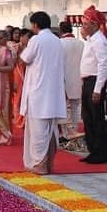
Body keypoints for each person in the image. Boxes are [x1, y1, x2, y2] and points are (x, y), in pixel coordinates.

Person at [19, 11, 67, 175]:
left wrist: (23, 45)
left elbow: (24, 59)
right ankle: (48, 163)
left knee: (38, 131)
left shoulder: (36, 40)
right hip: (53, 92)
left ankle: (39, 164)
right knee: (50, 130)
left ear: (35, 25)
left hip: (38, 92)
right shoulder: (57, 41)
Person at [79, 5, 107, 164]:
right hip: (87, 81)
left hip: (94, 82)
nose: (84, 26)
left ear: (94, 24)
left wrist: (98, 89)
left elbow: (103, 65)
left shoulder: (99, 40)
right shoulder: (91, 39)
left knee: (96, 119)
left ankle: (99, 153)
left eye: (86, 24)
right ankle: (93, 150)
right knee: (87, 118)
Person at [58, 21, 84, 141]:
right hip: (79, 78)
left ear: (61, 30)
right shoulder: (81, 43)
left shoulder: (59, 43)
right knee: (75, 106)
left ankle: (67, 133)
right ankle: (74, 129)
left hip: (64, 78)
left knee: (65, 108)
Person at [11, 29, 33, 129]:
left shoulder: (31, 47)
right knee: (18, 97)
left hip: (28, 74)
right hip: (18, 74)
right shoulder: (15, 47)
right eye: (27, 37)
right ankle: (18, 119)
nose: (28, 39)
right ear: (22, 37)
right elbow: (13, 62)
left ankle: (25, 119)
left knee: (27, 96)